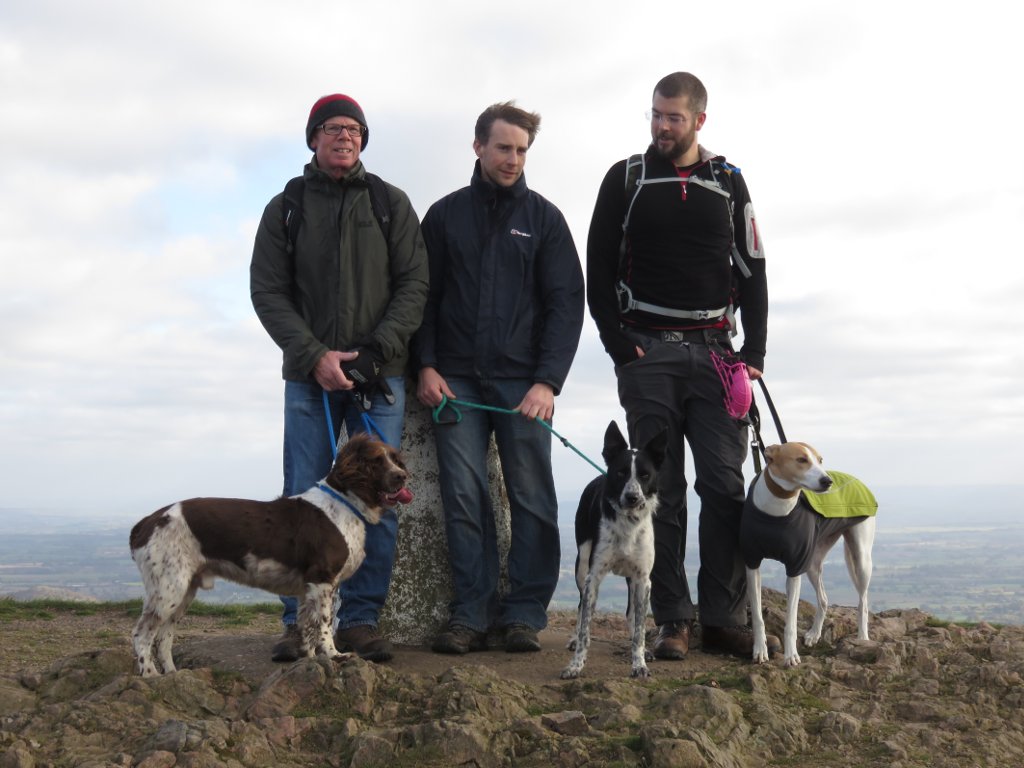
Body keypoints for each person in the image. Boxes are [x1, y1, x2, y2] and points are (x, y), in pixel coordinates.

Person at [587, 72, 780, 660]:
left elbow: (753, 270)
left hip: (719, 356)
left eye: (673, 117)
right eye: (655, 115)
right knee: (657, 490)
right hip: (647, 352)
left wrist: (754, 356)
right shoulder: (625, 179)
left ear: (699, 120)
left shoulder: (729, 182)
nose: (662, 126)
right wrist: (621, 347)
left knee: (722, 486)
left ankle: (721, 617)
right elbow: (595, 270)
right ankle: (672, 619)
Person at [250, 93, 429, 663]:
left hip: (380, 377)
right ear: (313, 138)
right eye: (332, 128)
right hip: (310, 379)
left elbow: (414, 285)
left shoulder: (390, 203)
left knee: (385, 493)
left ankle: (357, 621)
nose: (344, 137)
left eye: (354, 129)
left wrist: (375, 353)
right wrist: (315, 356)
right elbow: (268, 292)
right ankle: (299, 624)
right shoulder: (286, 207)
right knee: (301, 498)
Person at [414, 101, 585, 654]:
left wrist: (548, 382)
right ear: (478, 146)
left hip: (524, 387)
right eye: (504, 147)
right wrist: (426, 364)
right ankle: (471, 613)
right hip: (455, 383)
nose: (513, 159)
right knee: (464, 497)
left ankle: (523, 616)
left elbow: (566, 306)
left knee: (532, 496)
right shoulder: (442, 217)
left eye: (521, 150)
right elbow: (423, 297)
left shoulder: (545, 220)